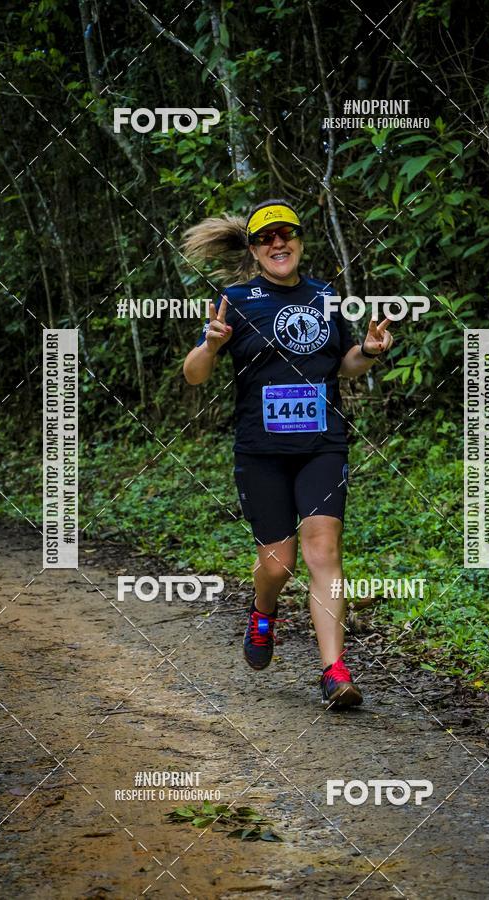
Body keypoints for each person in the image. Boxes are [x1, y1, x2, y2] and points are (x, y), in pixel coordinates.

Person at [182, 199, 393, 708]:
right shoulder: (234, 300)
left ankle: (334, 672)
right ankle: (263, 610)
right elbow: (193, 374)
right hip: (262, 452)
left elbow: (342, 365)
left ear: (299, 240)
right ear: (254, 250)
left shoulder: (325, 296)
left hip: (322, 445)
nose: (278, 243)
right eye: (266, 238)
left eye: (287, 234)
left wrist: (367, 351)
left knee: (324, 550)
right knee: (278, 565)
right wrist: (210, 346)